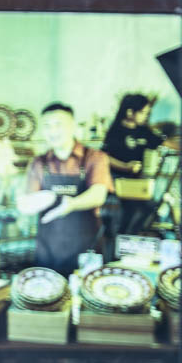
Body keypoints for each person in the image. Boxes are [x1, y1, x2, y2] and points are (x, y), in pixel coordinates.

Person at [20, 102, 111, 276]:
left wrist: (71, 204)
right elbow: (29, 200)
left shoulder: (95, 157)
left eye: (58, 125)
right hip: (49, 250)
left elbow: (98, 194)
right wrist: (26, 205)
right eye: (47, 126)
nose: (52, 131)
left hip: (87, 249)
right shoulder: (39, 163)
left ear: (73, 127)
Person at [101, 92, 166, 236]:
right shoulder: (115, 132)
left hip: (135, 182)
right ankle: (122, 240)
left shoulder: (143, 131)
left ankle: (129, 238)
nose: (146, 116)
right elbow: (105, 158)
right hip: (116, 182)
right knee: (131, 211)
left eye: (147, 113)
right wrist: (125, 166)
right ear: (130, 112)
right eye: (143, 112)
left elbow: (163, 142)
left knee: (150, 207)